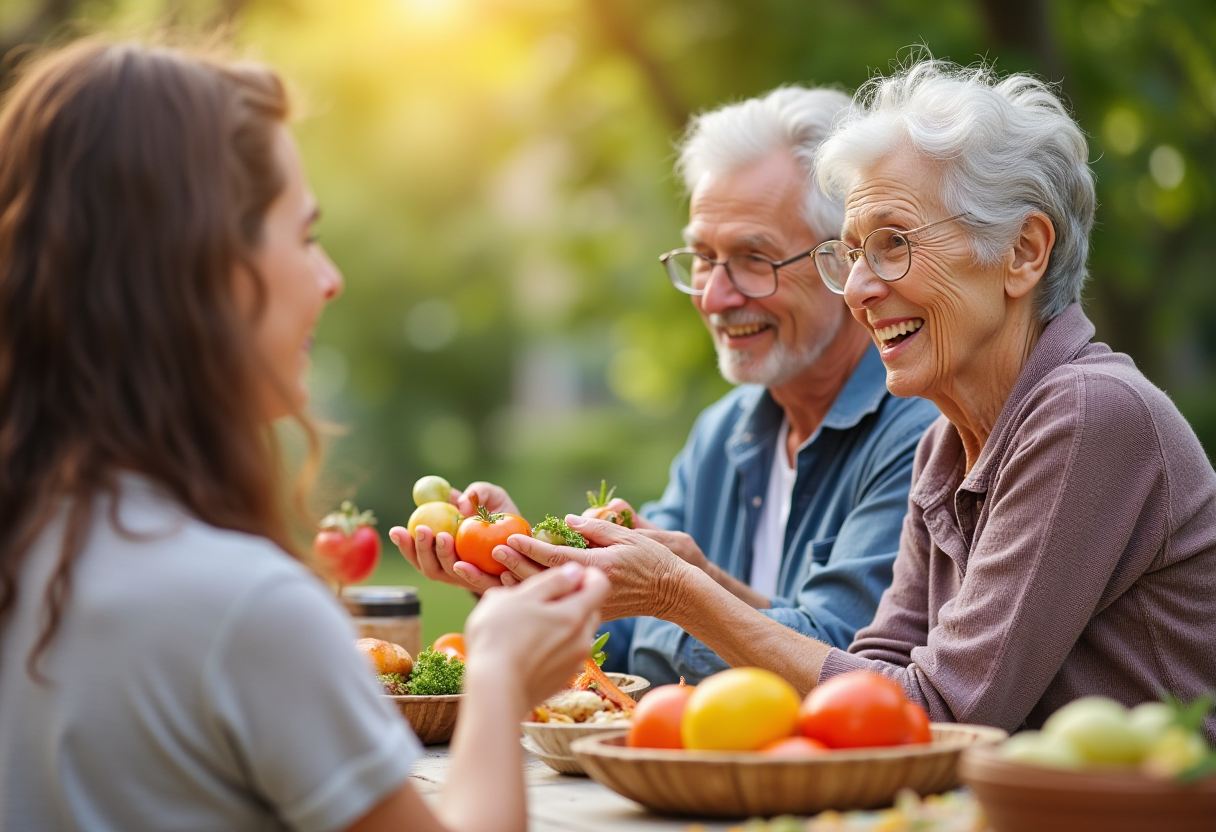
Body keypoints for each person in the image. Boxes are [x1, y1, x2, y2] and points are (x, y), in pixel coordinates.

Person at [504, 59, 1216, 740]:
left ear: (1023, 252)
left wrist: (680, 594)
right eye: (851, 253)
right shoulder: (949, 439)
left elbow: (935, 714)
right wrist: (688, 581)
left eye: (894, 243)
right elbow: (876, 672)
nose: (858, 289)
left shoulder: (1091, 412)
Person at [0, 39, 609, 832]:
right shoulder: (243, 608)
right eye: (303, 235)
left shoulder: (35, 545)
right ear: (206, 268)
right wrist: (496, 678)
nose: (330, 278)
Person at [392, 86, 939, 686]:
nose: (714, 296)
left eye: (755, 258)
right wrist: (519, 560)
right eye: (703, 256)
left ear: (843, 261)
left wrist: (685, 591)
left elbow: (848, 667)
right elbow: (618, 645)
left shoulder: (919, 432)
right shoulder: (722, 433)